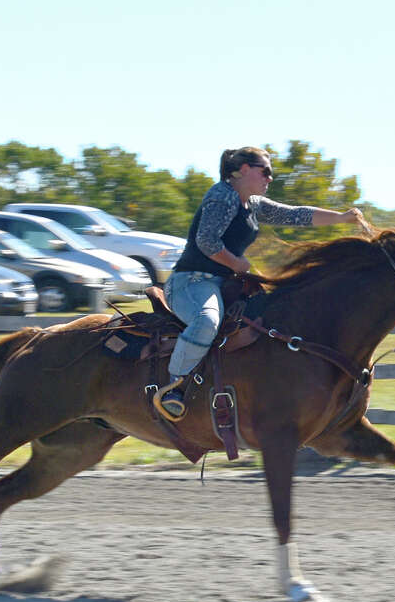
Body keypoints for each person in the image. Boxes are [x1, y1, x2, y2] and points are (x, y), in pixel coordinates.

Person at [155, 146, 363, 419]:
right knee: (207, 320)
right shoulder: (223, 195)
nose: (270, 178)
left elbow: (295, 214)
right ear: (243, 170)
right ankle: (173, 387)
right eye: (265, 171)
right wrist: (236, 264)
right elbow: (206, 241)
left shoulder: (252, 203)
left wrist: (341, 218)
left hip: (222, 284)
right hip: (191, 283)